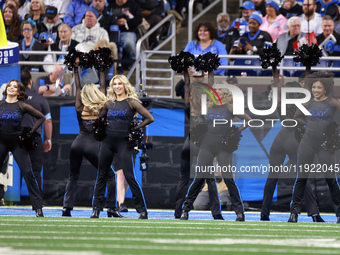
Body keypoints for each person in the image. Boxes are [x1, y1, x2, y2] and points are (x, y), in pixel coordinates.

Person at [260, 62, 324, 222]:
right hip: (295, 141)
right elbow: (309, 82)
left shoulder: (281, 102)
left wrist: (274, 66)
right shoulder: (302, 102)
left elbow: (276, 83)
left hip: (279, 139)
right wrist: (308, 63)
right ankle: (313, 214)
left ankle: (264, 213)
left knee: (271, 177)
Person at [180, 81, 251, 221]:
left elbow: (249, 120)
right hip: (207, 146)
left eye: (221, 89)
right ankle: (185, 210)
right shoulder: (207, 106)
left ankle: (240, 212)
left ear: (225, 92)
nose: (217, 91)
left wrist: (235, 132)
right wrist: (200, 131)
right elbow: (200, 121)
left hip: (224, 147)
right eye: (215, 89)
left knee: (229, 178)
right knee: (199, 178)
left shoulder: (230, 107)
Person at [62, 59, 122, 218]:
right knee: (109, 175)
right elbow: (103, 85)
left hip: (77, 143)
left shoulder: (79, 107)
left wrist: (76, 70)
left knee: (73, 176)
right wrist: (102, 69)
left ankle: (66, 208)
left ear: (83, 95)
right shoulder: (101, 107)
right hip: (93, 145)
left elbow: (77, 88)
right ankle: (110, 208)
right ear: (96, 94)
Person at [91, 74, 154, 219]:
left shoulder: (132, 102)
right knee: (101, 176)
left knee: (130, 177)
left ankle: (142, 211)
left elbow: (150, 118)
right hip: (107, 143)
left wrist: (135, 128)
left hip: (123, 144)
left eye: (119, 84)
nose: (117, 87)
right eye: (114, 84)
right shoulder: (108, 103)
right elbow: (100, 121)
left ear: (125, 85)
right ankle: (96, 210)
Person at [288, 71, 340, 223]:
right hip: (307, 143)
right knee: (301, 179)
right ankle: (294, 214)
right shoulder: (307, 103)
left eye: (319, 88)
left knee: (331, 179)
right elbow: (296, 117)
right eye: (314, 87)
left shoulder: (332, 103)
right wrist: (308, 125)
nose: (316, 90)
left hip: (325, 145)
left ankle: (339, 213)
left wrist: (334, 129)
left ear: (326, 89)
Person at [0, 79, 45, 216]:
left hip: (17, 144)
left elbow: (41, 117)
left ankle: (38, 207)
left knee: (27, 172)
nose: (11, 88)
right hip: (1, 142)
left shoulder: (22, 106)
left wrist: (31, 132)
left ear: (19, 92)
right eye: (9, 86)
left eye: (15, 87)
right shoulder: (0, 104)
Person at [21, 70, 52, 195]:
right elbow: (48, 121)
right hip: (35, 137)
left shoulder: (15, 100)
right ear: (30, 81)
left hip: (18, 137)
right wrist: (48, 140)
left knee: (18, 171)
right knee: (36, 170)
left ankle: (11, 199)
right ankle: (37, 200)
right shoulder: (40, 99)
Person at [107, 0, 143, 70]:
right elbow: (105, 17)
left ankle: (133, 61)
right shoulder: (110, 6)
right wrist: (113, 21)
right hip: (112, 31)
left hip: (128, 30)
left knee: (129, 43)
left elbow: (139, 19)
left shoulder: (133, 5)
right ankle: (113, 65)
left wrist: (127, 21)